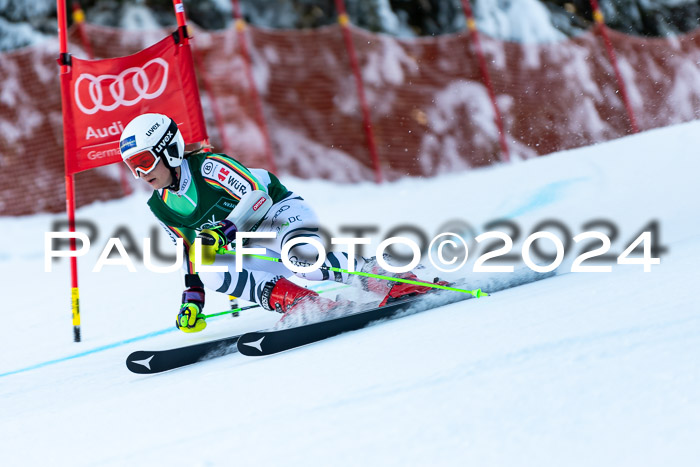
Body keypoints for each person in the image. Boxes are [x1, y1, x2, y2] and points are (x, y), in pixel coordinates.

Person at [119, 113, 438, 333]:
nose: (141, 174)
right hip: (249, 243)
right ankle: (305, 304)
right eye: (133, 166)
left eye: (145, 161)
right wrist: (193, 298)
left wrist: (225, 229)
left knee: (301, 260)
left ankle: (391, 279)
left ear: (169, 150)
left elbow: (258, 196)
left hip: (278, 215)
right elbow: (189, 252)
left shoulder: (208, 167)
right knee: (213, 270)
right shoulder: (160, 206)